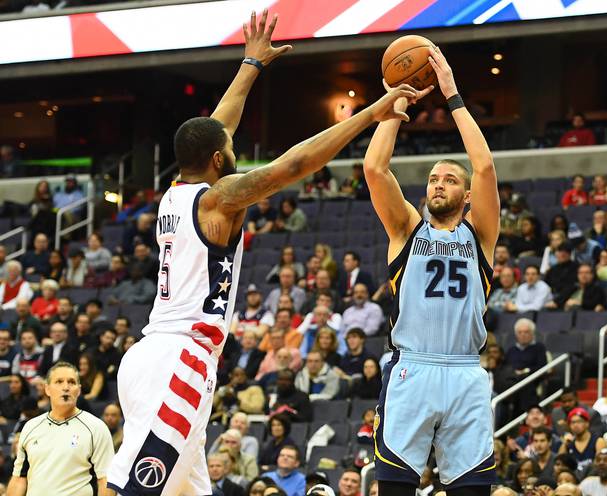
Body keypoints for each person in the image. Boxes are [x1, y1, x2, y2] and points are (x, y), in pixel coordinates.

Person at [106, 9, 419, 495]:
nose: (233, 149)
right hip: (180, 360)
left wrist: (250, 65)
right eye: (228, 149)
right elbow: (295, 164)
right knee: (136, 489)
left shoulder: (175, 190)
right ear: (217, 160)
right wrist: (370, 114)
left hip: (155, 355)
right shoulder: (218, 198)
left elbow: (215, 128)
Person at [363, 46, 499, 495]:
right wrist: (393, 104)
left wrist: (452, 95)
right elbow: (374, 167)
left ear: (465, 197)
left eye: (450, 180)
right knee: (396, 487)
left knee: (472, 488)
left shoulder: (480, 236)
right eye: (434, 179)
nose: (439, 183)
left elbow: (484, 166)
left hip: (465, 371)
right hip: (411, 370)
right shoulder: (405, 228)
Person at [8, 361, 114, 496]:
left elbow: (106, 480)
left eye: (71, 382)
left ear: (79, 390)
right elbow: (19, 479)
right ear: (47, 389)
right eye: (59, 382)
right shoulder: (31, 427)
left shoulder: (96, 428)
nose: (66, 387)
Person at [559, 407, 606, 477]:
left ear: (587, 423)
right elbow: (559, 465)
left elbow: (601, 466)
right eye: (572, 422)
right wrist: (564, 445)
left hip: (592, 479)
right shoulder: (568, 444)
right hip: (573, 482)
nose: (575, 425)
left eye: (579, 421)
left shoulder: (598, 441)